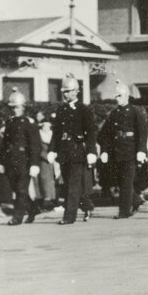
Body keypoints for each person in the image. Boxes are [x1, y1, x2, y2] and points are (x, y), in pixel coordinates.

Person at [49, 75, 97, 224]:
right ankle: (87, 206)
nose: (65, 94)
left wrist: (91, 151)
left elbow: (91, 132)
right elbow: (56, 133)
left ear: (76, 91)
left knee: (73, 186)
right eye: (64, 92)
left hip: (77, 152)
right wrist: (52, 149)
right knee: (69, 185)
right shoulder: (61, 110)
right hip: (64, 153)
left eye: (69, 91)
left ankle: (69, 217)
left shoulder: (84, 110)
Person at [98, 82, 148, 219]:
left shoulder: (135, 112)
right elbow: (104, 135)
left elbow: (143, 133)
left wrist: (141, 150)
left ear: (127, 96)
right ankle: (136, 200)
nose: (117, 98)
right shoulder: (114, 114)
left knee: (126, 182)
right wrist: (104, 151)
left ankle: (124, 211)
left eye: (120, 95)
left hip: (131, 151)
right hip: (116, 152)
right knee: (121, 181)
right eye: (116, 96)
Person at [0, 89, 42, 225]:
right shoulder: (10, 122)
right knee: (17, 189)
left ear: (23, 107)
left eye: (16, 107)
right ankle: (33, 208)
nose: (13, 110)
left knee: (22, 189)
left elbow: (35, 145)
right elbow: (5, 144)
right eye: (11, 108)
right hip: (11, 160)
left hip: (25, 161)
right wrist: (2, 162)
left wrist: (34, 163)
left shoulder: (29, 123)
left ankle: (17, 217)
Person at [36, 114, 58, 209]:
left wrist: (55, 155)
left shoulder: (52, 134)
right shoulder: (39, 134)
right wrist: (45, 156)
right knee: (44, 179)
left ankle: (53, 199)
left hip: (53, 160)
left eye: (48, 125)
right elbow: (38, 148)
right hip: (43, 160)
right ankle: (46, 200)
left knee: (54, 179)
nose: (46, 127)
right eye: (44, 125)